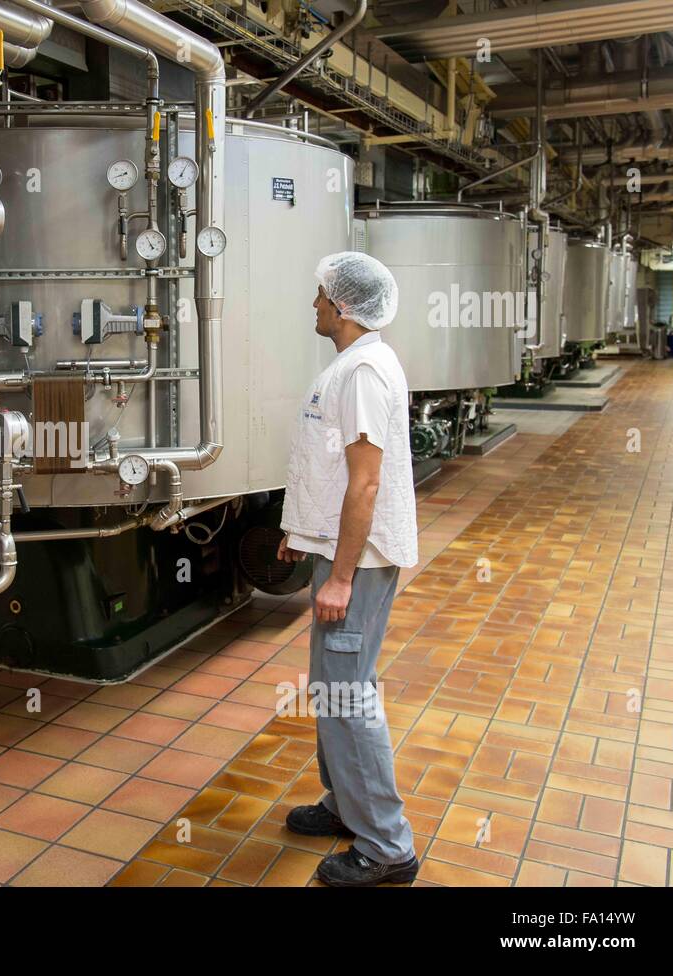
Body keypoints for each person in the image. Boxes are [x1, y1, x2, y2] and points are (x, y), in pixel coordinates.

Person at [277, 251, 420, 886]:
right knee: (332, 687)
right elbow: (328, 468)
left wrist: (339, 576)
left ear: (341, 307)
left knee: (346, 692)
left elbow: (364, 485)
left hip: (355, 564)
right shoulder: (350, 365)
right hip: (339, 551)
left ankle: (388, 849)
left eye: (319, 295)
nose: (313, 304)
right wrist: (298, 534)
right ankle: (347, 805)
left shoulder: (362, 372)